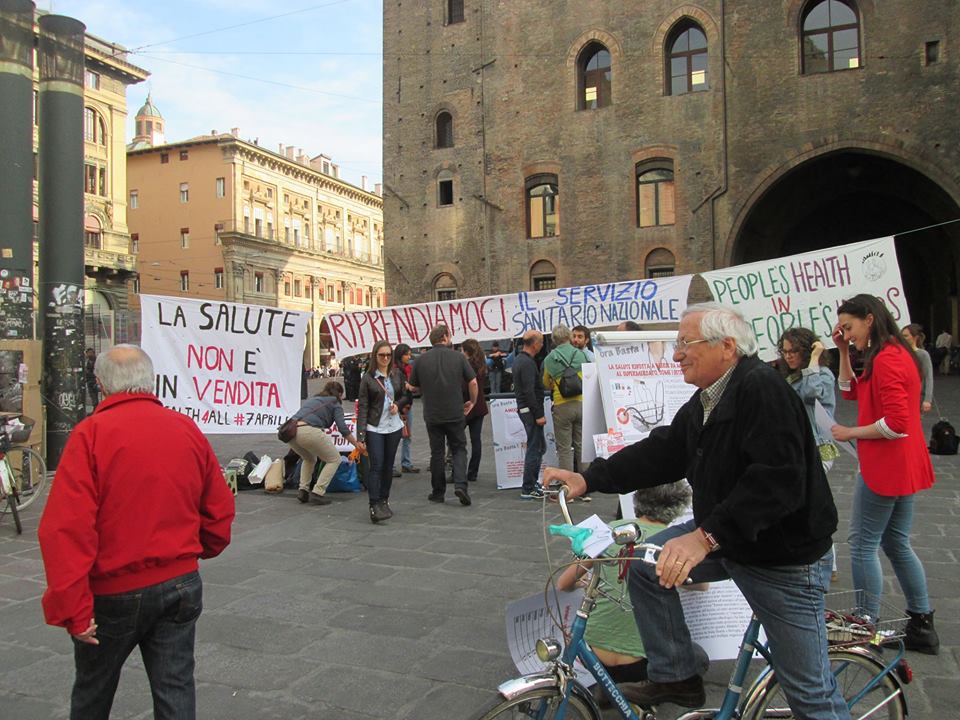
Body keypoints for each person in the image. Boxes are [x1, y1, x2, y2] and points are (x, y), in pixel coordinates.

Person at [545, 303, 848, 717]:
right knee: (643, 565)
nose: (675, 354)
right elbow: (665, 450)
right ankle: (677, 676)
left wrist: (704, 537)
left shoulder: (762, 388)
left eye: (686, 343)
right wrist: (590, 478)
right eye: (676, 344)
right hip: (733, 539)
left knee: (810, 694)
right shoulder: (709, 397)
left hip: (782, 557)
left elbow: (777, 480)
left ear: (726, 346)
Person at [38, 345, 236, 720]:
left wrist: (74, 609)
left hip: (114, 591)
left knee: (93, 692)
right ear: (150, 380)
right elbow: (219, 507)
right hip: (179, 581)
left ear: (101, 385)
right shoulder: (185, 427)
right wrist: (196, 549)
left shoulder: (90, 435)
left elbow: (65, 530)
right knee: (175, 689)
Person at [832, 294, 939, 654]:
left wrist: (850, 433)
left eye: (849, 327)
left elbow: (895, 423)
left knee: (862, 543)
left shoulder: (889, 359)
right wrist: (844, 353)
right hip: (900, 464)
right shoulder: (889, 354)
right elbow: (850, 393)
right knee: (895, 543)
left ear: (869, 320)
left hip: (886, 465)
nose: (847, 333)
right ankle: (922, 624)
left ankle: (865, 624)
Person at [556, 481, 693, 696]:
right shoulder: (676, 542)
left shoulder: (611, 529)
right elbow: (702, 586)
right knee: (699, 658)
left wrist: (579, 583)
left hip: (592, 655)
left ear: (638, 499)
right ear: (678, 507)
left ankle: (609, 691)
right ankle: (641, 695)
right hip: (641, 661)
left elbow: (563, 584)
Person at [408, 324, 477, 506]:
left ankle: (438, 492)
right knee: (459, 448)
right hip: (454, 411)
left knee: (436, 453)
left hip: (432, 412)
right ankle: (461, 484)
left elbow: (413, 386)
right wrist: (472, 401)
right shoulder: (458, 357)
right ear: (446, 337)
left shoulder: (421, 360)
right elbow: (473, 382)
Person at [357, 340, 413, 523]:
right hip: (375, 427)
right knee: (377, 466)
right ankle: (374, 504)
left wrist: (398, 404)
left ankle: (384, 500)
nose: (385, 358)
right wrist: (360, 436)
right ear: (375, 356)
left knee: (388, 466)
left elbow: (407, 395)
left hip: (394, 427)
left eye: (389, 355)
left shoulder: (396, 374)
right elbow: (363, 408)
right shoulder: (368, 378)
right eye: (382, 355)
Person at [287, 381, 360, 506]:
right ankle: (317, 492)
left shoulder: (314, 399)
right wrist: (356, 444)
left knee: (309, 458)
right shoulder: (335, 403)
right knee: (334, 459)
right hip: (309, 430)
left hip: (290, 433)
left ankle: (303, 490)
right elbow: (343, 428)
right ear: (340, 394)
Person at [542, 324, 589, 475]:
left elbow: (545, 382)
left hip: (562, 406)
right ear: (569, 337)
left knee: (564, 448)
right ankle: (586, 484)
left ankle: (568, 487)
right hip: (581, 404)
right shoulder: (581, 354)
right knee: (581, 445)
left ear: (554, 340)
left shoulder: (549, 359)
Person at [513, 329, 547, 499]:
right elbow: (529, 392)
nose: (542, 346)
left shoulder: (521, 360)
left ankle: (532, 483)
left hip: (527, 410)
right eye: (541, 342)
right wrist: (539, 414)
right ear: (535, 344)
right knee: (535, 448)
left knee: (539, 447)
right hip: (530, 412)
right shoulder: (527, 363)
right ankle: (528, 487)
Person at [461, 339, 489, 483]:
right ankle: (473, 472)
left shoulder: (466, 366)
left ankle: (457, 471)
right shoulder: (481, 364)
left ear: (466, 351)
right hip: (479, 406)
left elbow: (465, 386)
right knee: (476, 440)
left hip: (467, 405)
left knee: (458, 440)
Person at [392, 343, 421, 474]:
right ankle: (391, 465)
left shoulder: (409, 368)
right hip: (397, 406)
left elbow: (413, 385)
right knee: (394, 436)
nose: (409, 357)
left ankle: (406, 462)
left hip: (407, 405)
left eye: (409, 354)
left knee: (407, 435)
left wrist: (412, 387)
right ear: (400, 355)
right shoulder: (393, 369)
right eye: (406, 354)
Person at [901, 324, 934, 413]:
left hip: (916, 397)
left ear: (915, 337)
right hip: (901, 396)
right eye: (902, 336)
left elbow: (928, 377)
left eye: (906, 336)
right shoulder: (899, 353)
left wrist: (927, 399)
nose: (903, 338)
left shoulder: (923, 354)